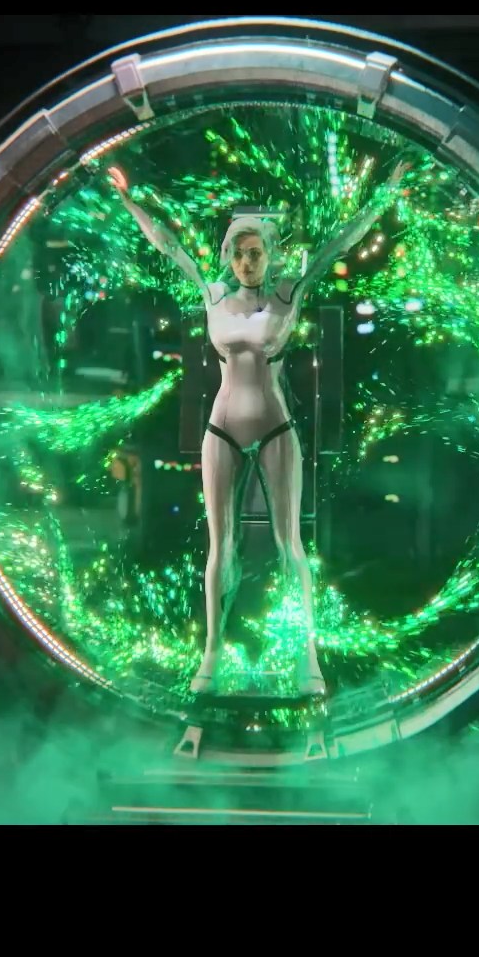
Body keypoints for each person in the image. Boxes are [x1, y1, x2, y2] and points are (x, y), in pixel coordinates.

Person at [107, 160, 410, 696]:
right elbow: (168, 245)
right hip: (223, 426)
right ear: (229, 256)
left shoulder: (287, 294)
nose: (247, 262)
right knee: (220, 548)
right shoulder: (213, 295)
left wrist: (384, 194)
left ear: (269, 255)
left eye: (255, 253)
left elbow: (340, 242)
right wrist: (131, 202)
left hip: (274, 424)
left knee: (291, 545)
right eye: (239, 254)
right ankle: (209, 656)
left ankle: (309, 659)